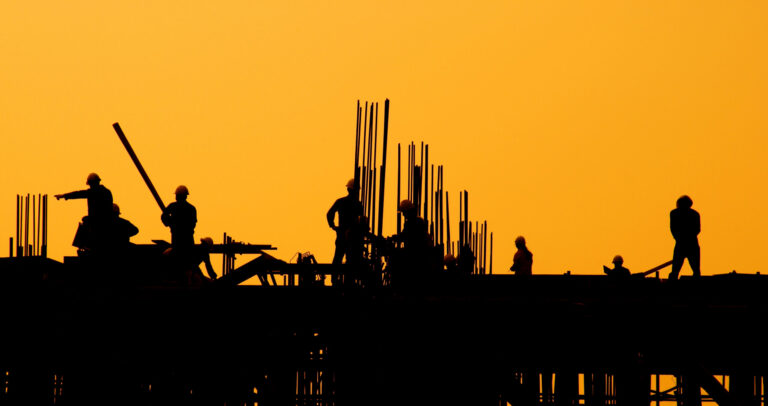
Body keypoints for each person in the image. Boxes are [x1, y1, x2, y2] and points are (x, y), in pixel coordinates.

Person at [55, 173, 114, 250]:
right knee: (87, 220)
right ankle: (86, 245)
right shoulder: (107, 192)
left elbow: (78, 194)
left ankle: (84, 245)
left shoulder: (93, 192)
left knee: (85, 222)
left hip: (99, 221)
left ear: (91, 183)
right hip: (107, 220)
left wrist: (64, 196)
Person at [326, 179, 364, 265]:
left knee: (338, 259)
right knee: (350, 261)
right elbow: (361, 221)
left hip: (343, 234)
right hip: (353, 236)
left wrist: (333, 226)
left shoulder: (341, 201)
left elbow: (329, 214)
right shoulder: (358, 204)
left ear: (348, 189)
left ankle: (335, 278)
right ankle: (344, 277)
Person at [668, 195, 701, 280]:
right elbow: (697, 229)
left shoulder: (675, 213)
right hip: (690, 243)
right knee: (676, 269)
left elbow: (673, 229)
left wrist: (681, 239)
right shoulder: (694, 214)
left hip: (685, 244)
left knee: (694, 269)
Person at [161, 185, 197, 249]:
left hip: (177, 238)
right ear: (186, 196)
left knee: (176, 255)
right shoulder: (191, 208)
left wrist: (170, 223)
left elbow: (163, 216)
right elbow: (193, 224)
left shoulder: (173, 206)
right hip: (188, 239)